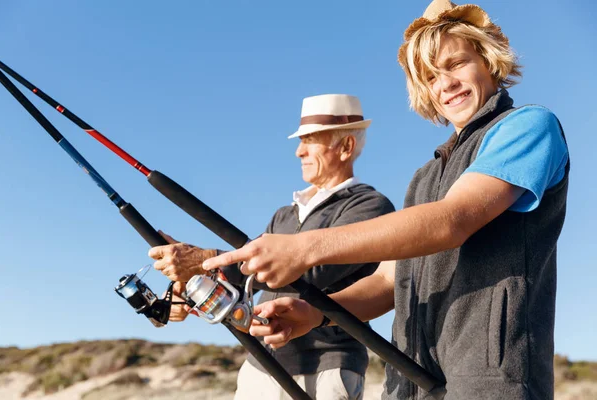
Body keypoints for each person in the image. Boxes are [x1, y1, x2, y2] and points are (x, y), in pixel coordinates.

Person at [202, 1, 570, 399]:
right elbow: (385, 281)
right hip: (408, 385)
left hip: (491, 383)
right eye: (430, 76)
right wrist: (312, 314)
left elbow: (453, 220)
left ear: (488, 58)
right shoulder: (424, 178)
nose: (445, 84)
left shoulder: (528, 126)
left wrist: (304, 248)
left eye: (456, 64)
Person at [148, 93, 395, 400]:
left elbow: (309, 272)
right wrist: (194, 286)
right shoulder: (284, 215)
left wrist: (204, 260)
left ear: (346, 147)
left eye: (310, 140)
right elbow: (248, 278)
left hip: (327, 369)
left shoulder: (370, 207)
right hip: (260, 364)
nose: (298, 151)